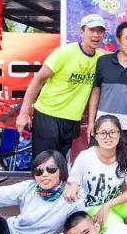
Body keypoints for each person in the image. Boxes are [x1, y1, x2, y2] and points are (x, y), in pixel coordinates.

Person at [16, 14, 105, 169]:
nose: (96, 35)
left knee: (61, 165)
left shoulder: (100, 58)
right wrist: (24, 112)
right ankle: (41, 185)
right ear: (82, 32)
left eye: (100, 31)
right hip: (48, 114)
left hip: (71, 119)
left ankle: (57, 186)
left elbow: (119, 58)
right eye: (91, 30)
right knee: (45, 164)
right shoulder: (65, 53)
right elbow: (38, 80)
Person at [65, 115, 127, 232]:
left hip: (113, 202)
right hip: (90, 206)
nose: (108, 137)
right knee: (116, 226)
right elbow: (73, 182)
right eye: (103, 133)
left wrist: (107, 206)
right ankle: (112, 232)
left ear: (119, 134)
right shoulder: (85, 157)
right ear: (96, 136)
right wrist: (73, 187)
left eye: (112, 132)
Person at [87, 22, 127, 150]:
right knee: (98, 158)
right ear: (118, 39)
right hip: (103, 124)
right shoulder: (103, 62)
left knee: (126, 160)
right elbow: (96, 92)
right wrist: (91, 122)